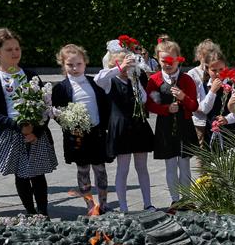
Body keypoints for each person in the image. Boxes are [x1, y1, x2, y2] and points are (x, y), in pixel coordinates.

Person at [0, 28, 57, 216]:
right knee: (21, 175)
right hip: (11, 133)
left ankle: (43, 212)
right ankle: (30, 212)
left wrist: (36, 130)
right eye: (9, 50)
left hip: (35, 133)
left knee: (38, 174)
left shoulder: (30, 75)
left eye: (17, 48)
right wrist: (17, 126)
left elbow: (45, 104)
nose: (15, 53)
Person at [51, 44, 112, 214]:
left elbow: (105, 106)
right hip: (77, 135)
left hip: (97, 132)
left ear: (85, 63)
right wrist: (70, 123)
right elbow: (57, 113)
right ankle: (90, 205)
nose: (75, 68)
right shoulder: (61, 88)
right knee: (83, 169)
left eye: (78, 64)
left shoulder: (96, 83)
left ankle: (104, 203)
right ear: (63, 65)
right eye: (70, 65)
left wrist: (105, 127)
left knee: (100, 168)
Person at [95, 45, 155, 212]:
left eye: (130, 63)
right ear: (116, 64)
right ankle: (123, 206)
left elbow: (143, 99)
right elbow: (98, 79)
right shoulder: (110, 80)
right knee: (123, 168)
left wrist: (134, 77)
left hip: (138, 127)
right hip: (121, 127)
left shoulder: (133, 80)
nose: (127, 67)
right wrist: (118, 68)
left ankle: (148, 203)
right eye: (124, 64)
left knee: (142, 166)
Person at [146, 38, 199, 210]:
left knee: (184, 165)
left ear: (178, 59)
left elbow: (194, 106)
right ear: (158, 59)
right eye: (163, 61)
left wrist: (184, 98)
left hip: (184, 126)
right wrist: (166, 109)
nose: (168, 64)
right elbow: (150, 104)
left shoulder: (187, 80)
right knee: (170, 165)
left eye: (171, 61)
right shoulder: (154, 80)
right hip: (165, 128)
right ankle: (175, 199)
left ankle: (187, 199)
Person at [198, 49, 235, 148]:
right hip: (211, 130)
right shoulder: (204, 86)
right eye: (214, 70)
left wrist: (227, 119)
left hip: (230, 130)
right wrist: (212, 91)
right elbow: (204, 109)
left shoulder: (233, 85)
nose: (218, 74)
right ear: (207, 69)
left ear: (226, 68)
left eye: (221, 69)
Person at [189, 39, 222, 150]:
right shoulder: (193, 73)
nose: (208, 58)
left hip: (215, 119)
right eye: (205, 56)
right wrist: (199, 108)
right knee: (203, 153)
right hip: (200, 120)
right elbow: (191, 98)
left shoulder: (217, 72)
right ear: (199, 56)